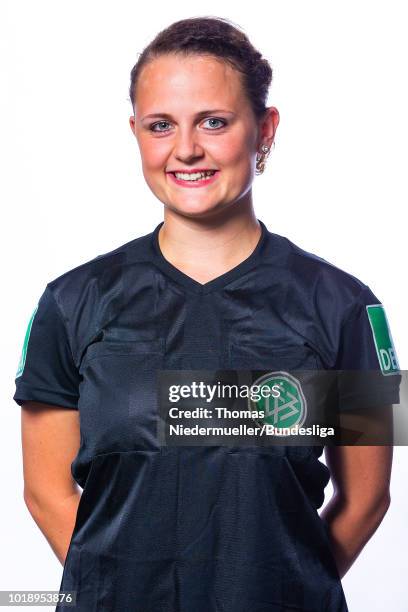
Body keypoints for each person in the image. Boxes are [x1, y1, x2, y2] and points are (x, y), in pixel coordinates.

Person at [13, 16, 400, 612]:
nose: (186, 149)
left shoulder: (346, 306)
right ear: (136, 132)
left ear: (264, 129)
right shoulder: (71, 302)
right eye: (160, 125)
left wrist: (281, 591)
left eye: (214, 122)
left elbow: (367, 501)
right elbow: (44, 492)